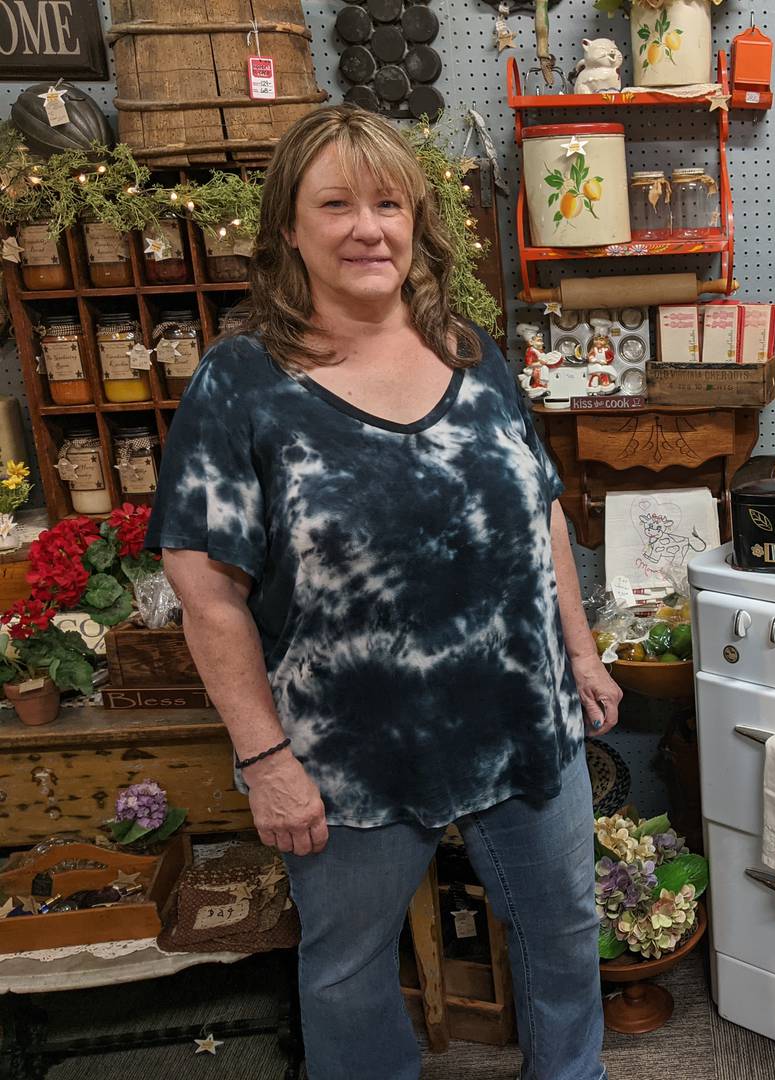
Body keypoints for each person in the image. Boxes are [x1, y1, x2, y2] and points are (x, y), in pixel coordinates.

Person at [147, 105, 621, 1080]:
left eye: (388, 202)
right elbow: (206, 589)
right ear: (290, 226)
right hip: (350, 750)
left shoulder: (472, 354)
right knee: (349, 970)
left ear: (415, 221)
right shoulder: (241, 383)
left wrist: (578, 652)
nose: (369, 227)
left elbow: (542, 514)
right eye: (337, 204)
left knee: (566, 933)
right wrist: (265, 758)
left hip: (520, 717)